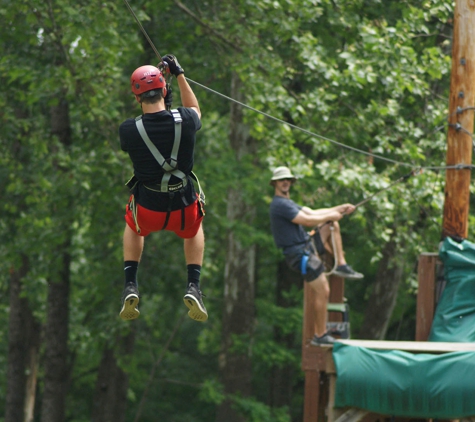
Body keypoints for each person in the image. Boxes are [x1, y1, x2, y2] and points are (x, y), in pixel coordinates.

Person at [118, 54, 207, 323]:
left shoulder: (129, 130)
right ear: (165, 90)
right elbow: (194, 110)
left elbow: (152, 127)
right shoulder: (187, 120)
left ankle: (130, 283)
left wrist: (165, 100)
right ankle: (194, 285)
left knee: (132, 225)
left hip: (148, 210)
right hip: (183, 208)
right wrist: (179, 73)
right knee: (195, 230)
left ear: (137, 98)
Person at [269, 166, 363, 345]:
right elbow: (307, 221)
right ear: (274, 183)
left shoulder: (288, 203)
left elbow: (312, 212)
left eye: (288, 180)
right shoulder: (279, 204)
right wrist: (333, 214)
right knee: (323, 291)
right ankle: (320, 335)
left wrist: (339, 209)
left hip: (307, 246)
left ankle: (341, 264)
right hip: (299, 254)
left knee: (331, 222)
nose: (285, 182)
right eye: (282, 180)